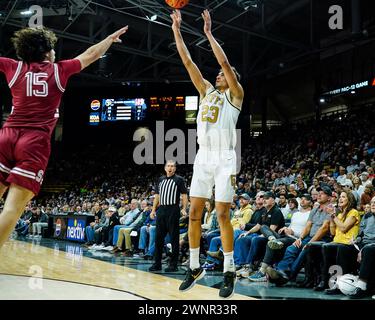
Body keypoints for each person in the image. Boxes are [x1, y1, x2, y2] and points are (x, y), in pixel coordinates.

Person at [0, 25, 128, 250]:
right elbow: (91, 55)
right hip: (33, 142)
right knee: (11, 209)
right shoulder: (58, 70)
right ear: (47, 52)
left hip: (6, 136)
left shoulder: (14, 67)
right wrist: (108, 38)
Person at [171, 9, 244, 298]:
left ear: (233, 79)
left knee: (223, 214)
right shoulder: (206, 92)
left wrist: (209, 34)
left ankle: (229, 270)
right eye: (218, 75)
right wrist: (177, 31)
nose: (218, 75)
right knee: (193, 215)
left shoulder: (235, 95)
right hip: (203, 157)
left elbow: (224, 62)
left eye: (224, 75)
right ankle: (194, 265)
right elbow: (188, 62)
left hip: (225, 156)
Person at [149, 160, 188, 273]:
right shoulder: (160, 179)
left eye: (172, 166)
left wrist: (184, 208)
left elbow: (184, 195)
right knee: (158, 238)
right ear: (165, 168)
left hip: (173, 209)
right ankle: (157, 264)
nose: (170, 168)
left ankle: (173, 265)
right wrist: (153, 210)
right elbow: (157, 196)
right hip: (161, 210)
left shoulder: (179, 179)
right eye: (168, 166)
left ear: (175, 168)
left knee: (174, 238)